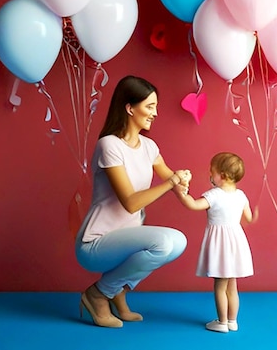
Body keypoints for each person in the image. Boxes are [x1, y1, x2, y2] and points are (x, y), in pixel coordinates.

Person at [75, 75, 191, 328]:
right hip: (96, 243)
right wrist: (171, 183)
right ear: (129, 108)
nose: (155, 113)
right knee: (162, 243)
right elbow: (130, 201)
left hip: (127, 241)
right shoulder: (110, 145)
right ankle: (98, 294)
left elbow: (172, 181)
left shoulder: (149, 147)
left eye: (155, 107)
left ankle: (115, 291)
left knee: (178, 242)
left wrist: (183, 183)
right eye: (150, 106)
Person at [173, 152, 258, 333]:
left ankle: (222, 322)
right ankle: (233, 321)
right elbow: (249, 218)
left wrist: (181, 194)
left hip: (220, 244)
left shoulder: (214, 195)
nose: (210, 175)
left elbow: (194, 205)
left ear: (223, 175)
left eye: (212, 172)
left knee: (220, 286)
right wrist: (256, 214)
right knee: (232, 285)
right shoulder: (241, 195)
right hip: (236, 242)